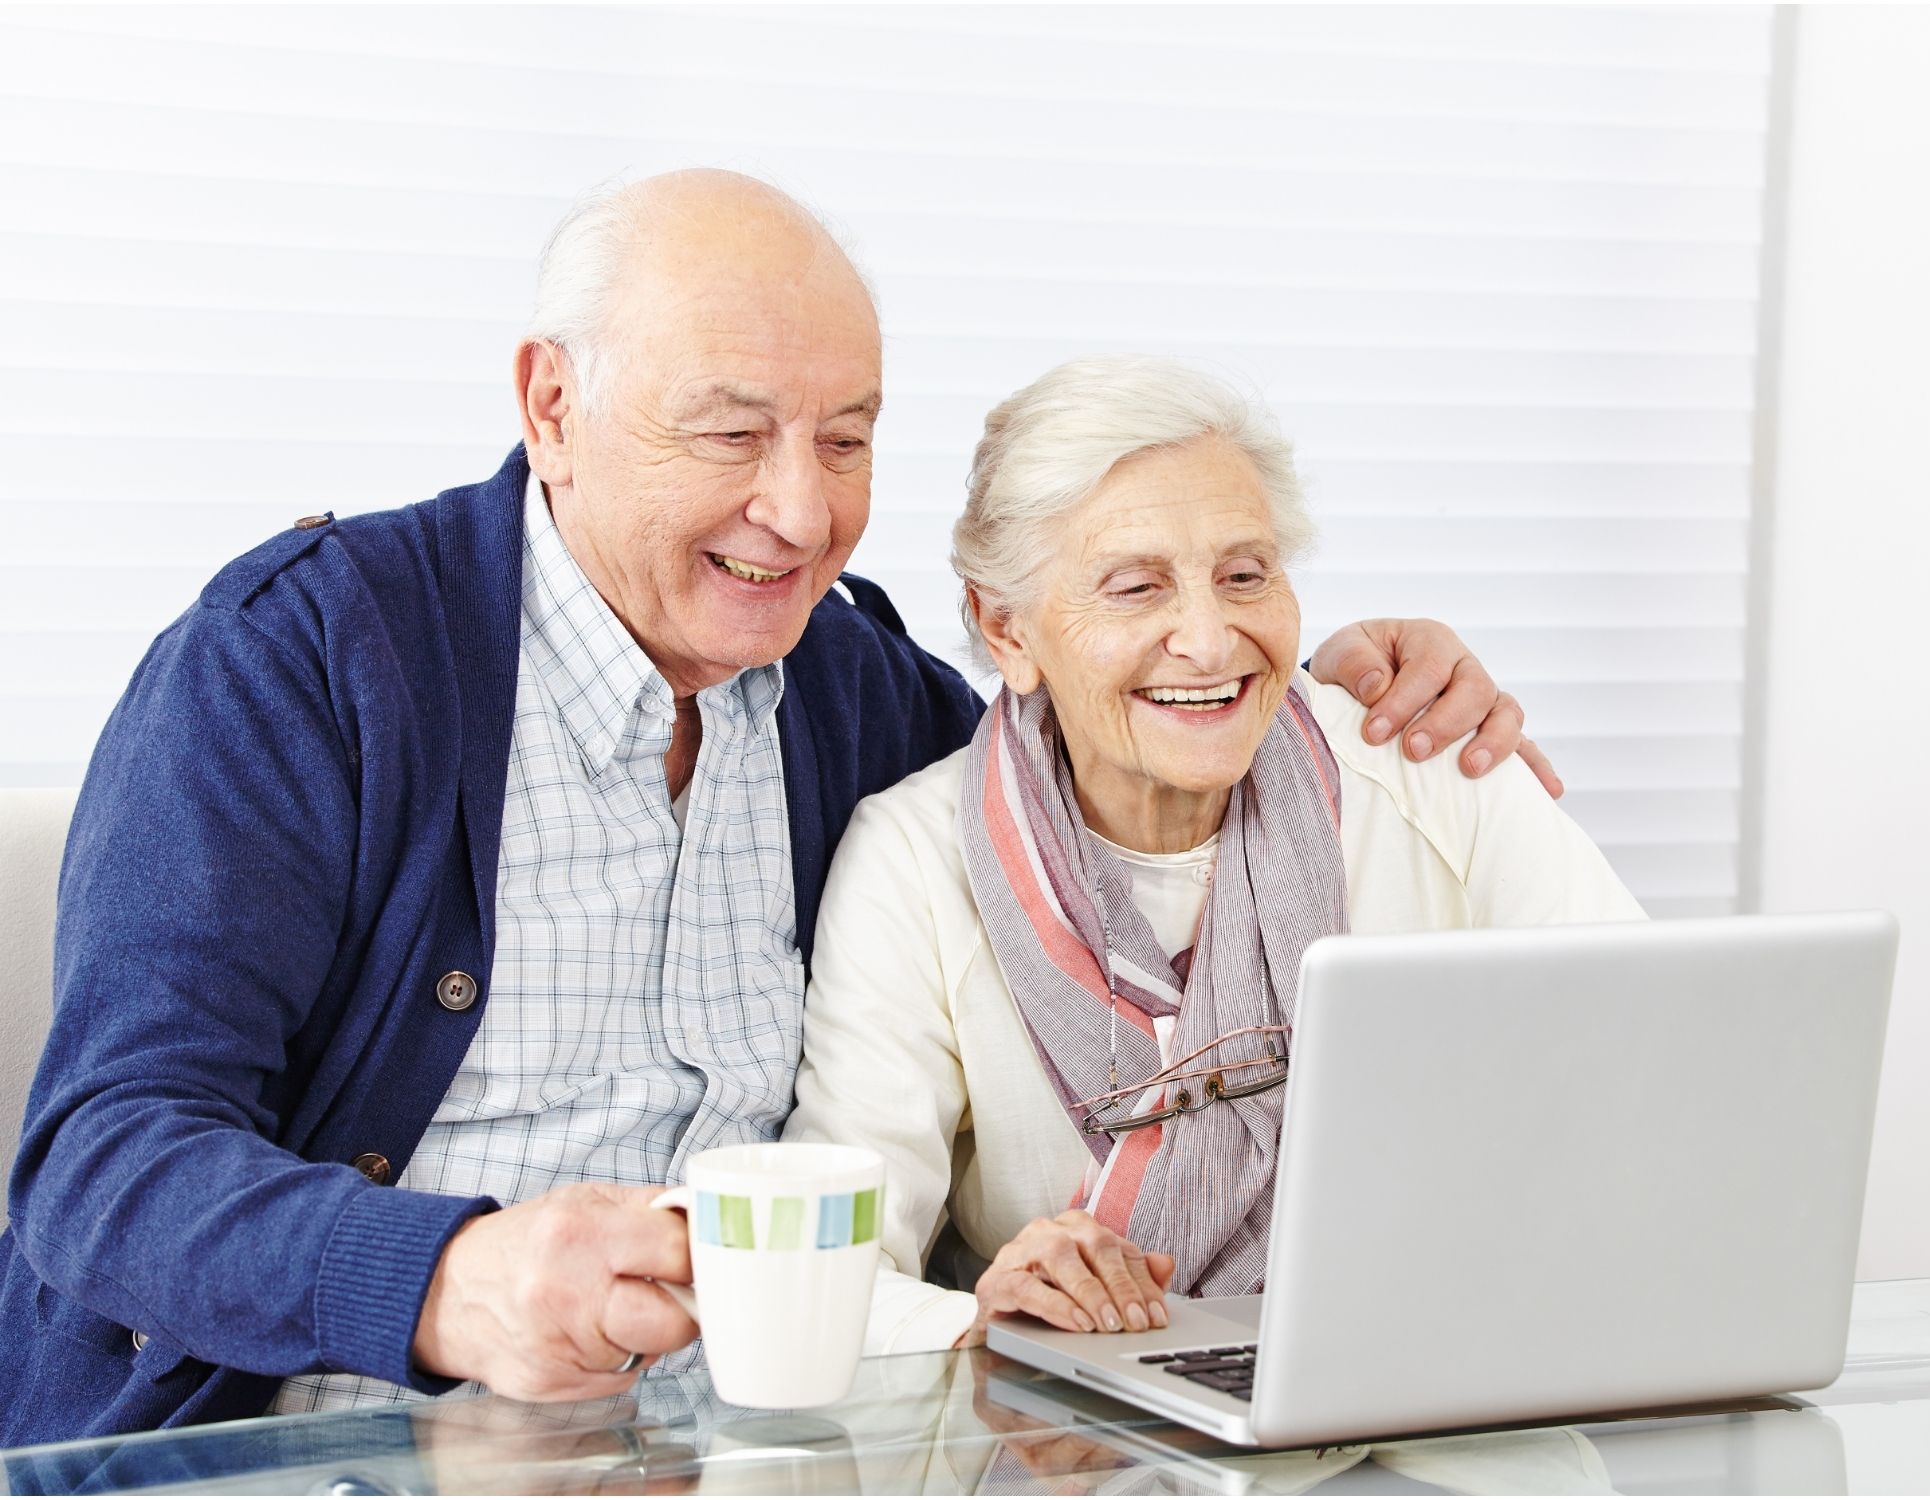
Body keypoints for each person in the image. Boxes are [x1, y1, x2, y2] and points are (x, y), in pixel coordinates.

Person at [0, 171, 1545, 1444]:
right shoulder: (301, 663)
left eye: (848, 439)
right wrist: (440, 1276)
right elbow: (99, 1160)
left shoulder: (851, 691)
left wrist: (1309, 691)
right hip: (326, 1445)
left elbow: (1078, 751)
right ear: (551, 406)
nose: (799, 512)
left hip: (759, 1457)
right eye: (732, 434)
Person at [783, 355, 1644, 1353]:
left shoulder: (1434, 772)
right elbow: (830, 1273)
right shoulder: (912, 862)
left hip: (1454, 1364)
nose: (1208, 636)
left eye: (1245, 576)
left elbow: (1657, 1081)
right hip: (1075, 1435)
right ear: (1005, 627)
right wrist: (985, 1321)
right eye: (1137, 587)